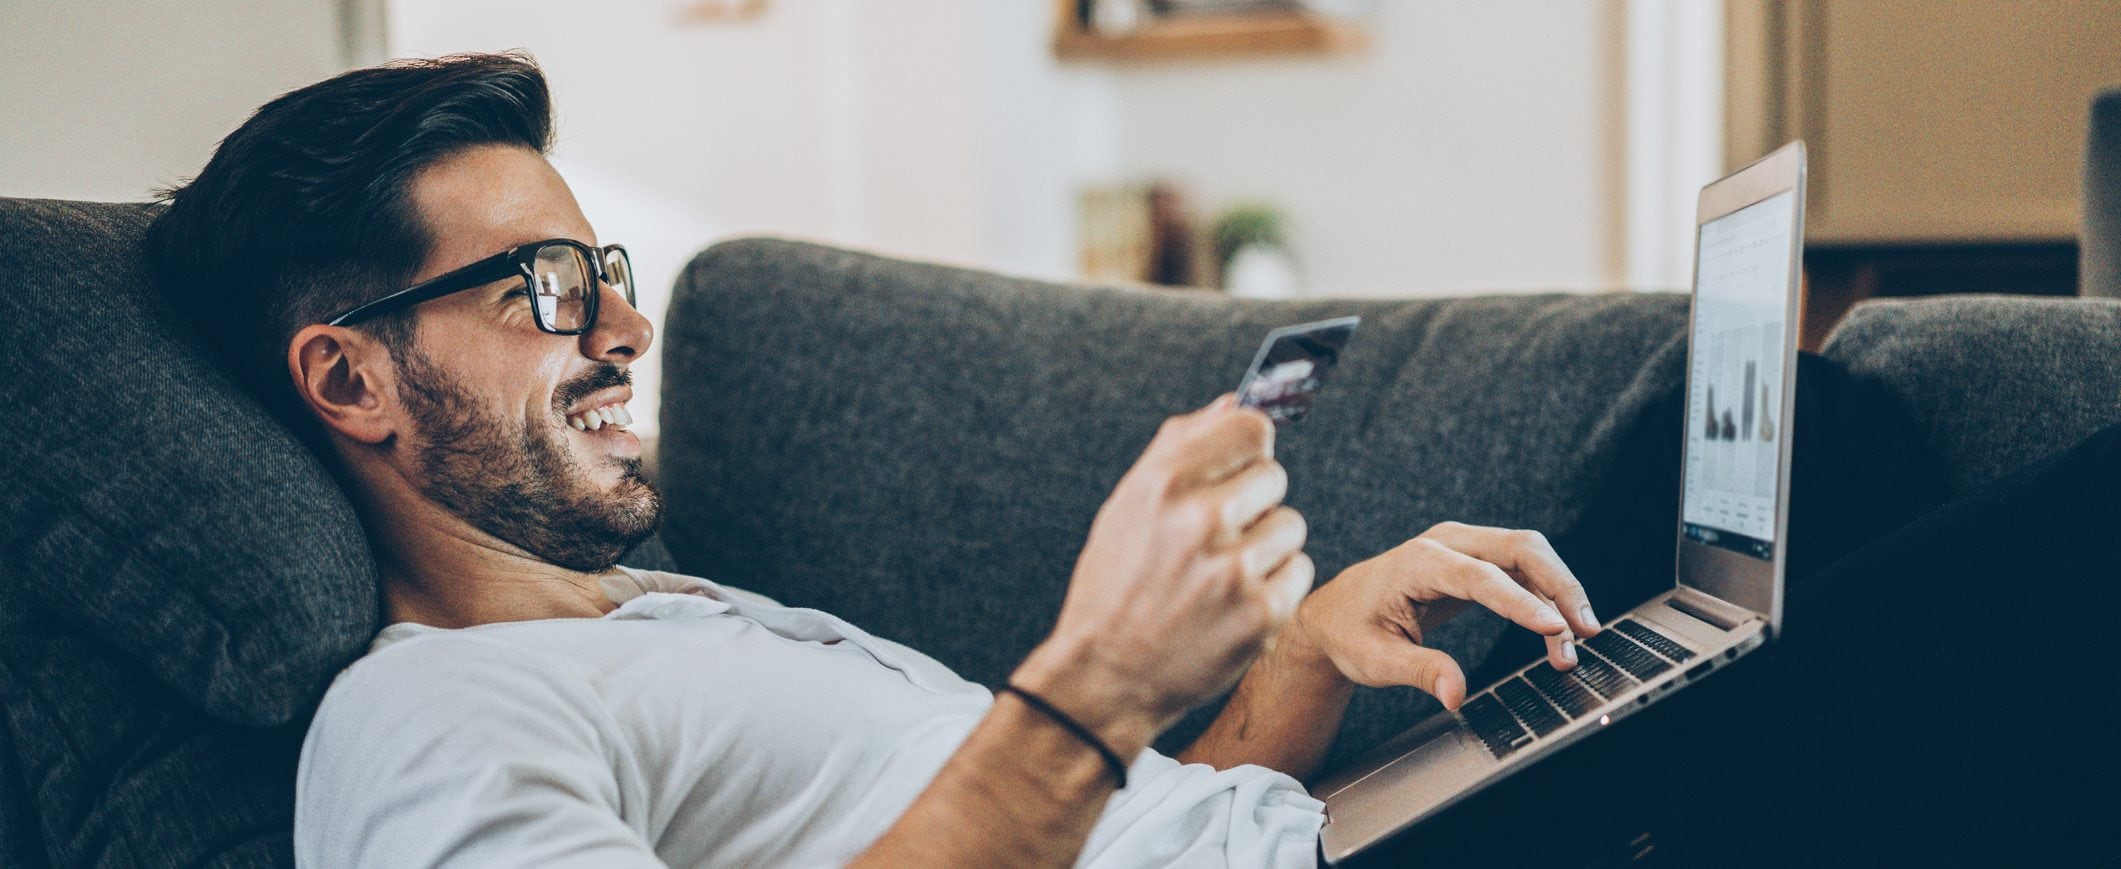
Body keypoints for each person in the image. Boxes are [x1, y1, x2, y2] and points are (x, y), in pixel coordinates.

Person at [146, 53, 1602, 867]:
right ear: (350, 377)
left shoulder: (671, 616)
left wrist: (1292, 660)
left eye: (608, 269)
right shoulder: (423, 718)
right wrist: (1092, 680)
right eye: (546, 286)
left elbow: (1120, 835)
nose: (627, 326)